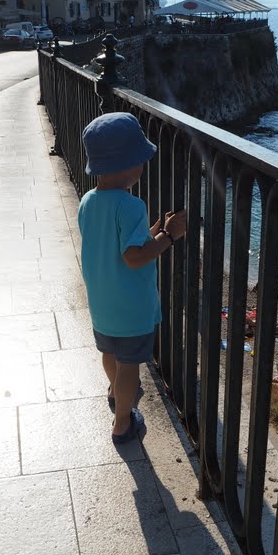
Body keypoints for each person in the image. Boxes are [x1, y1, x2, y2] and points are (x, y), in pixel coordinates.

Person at [78, 112, 186, 445]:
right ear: (128, 165)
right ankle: (123, 423)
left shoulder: (88, 201)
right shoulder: (131, 205)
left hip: (102, 301)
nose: (142, 166)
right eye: (140, 160)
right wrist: (170, 235)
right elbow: (134, 257)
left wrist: (154, 230)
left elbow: (120, 244)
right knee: (129, 365)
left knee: (110, 353)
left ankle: (115, 392)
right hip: (130, 306)